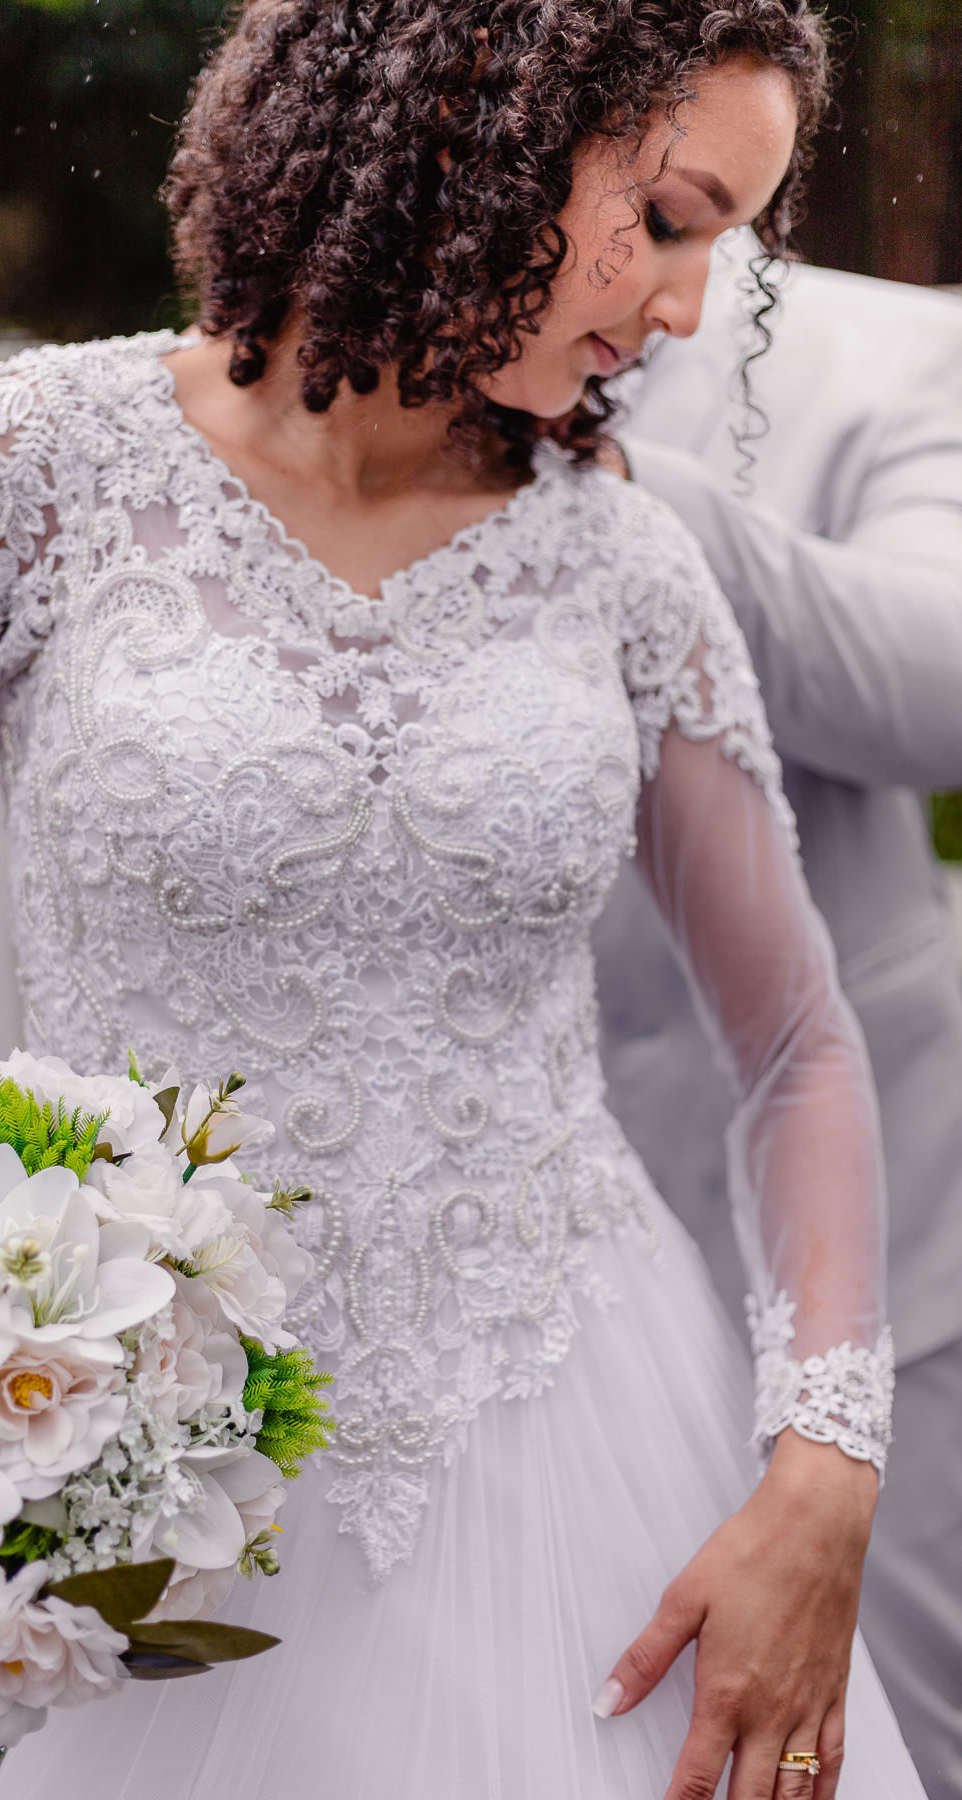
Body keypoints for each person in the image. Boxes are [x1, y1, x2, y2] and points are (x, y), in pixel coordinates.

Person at [0, 3, 929, 1795]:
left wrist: (825, 1466)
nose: (691, 307)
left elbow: (798, 1043)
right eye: (671, 219)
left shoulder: (622, 561)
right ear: (486, 123)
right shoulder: (38, 464)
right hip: (121, 1445)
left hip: (581, 1434)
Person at [595, 232, 962, 1799]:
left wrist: (624, 507)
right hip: (510, 1282)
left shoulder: (900, 349)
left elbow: (940, 688)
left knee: (869, 1740)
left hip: (864, 1249)